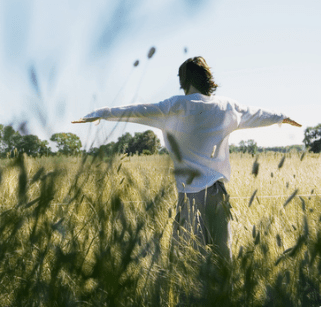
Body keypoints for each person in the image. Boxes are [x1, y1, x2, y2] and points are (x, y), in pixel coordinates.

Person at [72, 56, 301, 261]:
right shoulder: (226, 106)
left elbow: (136, 110)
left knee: (186, 256)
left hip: (189, 195)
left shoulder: (173, 106)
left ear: (183, 80)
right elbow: (257, 114)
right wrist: (283, 117)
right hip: (218, 193)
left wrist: (99, 113)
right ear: (207, 79)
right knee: (222, 253)